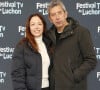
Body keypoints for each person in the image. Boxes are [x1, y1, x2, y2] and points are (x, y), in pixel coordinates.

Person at [46, 0, 97, 90]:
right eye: (53, 15)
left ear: (65, 14)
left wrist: (74, 76)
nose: (57, 17)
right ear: (50, 19)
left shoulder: (81, 32)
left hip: (74, 86)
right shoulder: (48, 36)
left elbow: (91, 60)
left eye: (59, 13)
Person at [11, 13, 51, 90]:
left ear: (43, 26)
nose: (36, 27)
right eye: (33, 24)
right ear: (29, 27)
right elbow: (17, 74)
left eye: (39, 24)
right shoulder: (22, 46)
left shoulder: (48, 44)